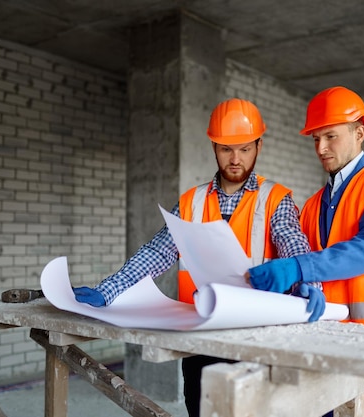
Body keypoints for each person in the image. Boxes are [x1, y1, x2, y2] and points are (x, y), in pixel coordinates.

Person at [72, 97, 325, 417]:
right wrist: (108, 290)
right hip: (199, 333)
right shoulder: (191, 201)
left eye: (245, 149)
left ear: (259, 146)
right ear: (213, 147)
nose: (235, 159)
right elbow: (157, 253)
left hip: (256, 337)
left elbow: (293, 243)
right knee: (200, 409)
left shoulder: (275, 199)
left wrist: (309, 280)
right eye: (225, 149)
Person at [247, 86, 364, 417]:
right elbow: (315, 267)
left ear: (359, 132)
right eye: (315, 138)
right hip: (331, 346)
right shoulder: (313, 204)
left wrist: (298, 268)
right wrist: (301, 285)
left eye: (330, 136)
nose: (321, 148)